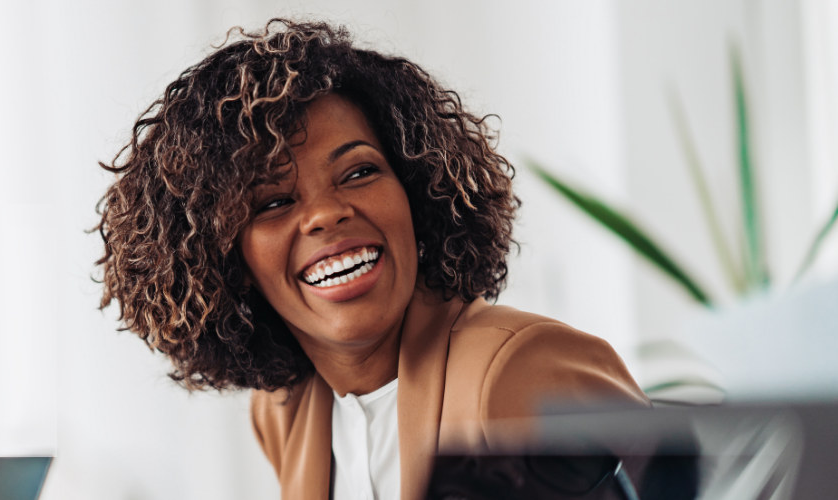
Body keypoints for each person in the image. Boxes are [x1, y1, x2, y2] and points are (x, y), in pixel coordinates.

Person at [94, 19, 649, 500]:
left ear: (415, 190)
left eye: (359, 172)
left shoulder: (516, 370)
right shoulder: (283, 412)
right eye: (274, 203)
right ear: (226, 260)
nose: (325, 215)